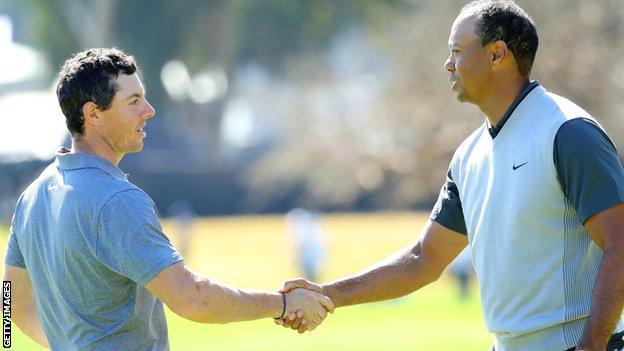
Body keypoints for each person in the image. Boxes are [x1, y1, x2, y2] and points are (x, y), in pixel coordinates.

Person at [277, 1, 624, 350]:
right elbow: (423, 260)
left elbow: (620, 243)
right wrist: (327, 294)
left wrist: (591, 346)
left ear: (496, 54)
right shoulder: (468, 156)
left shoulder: (568, 132)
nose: (448, 64)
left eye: (457, 51)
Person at [4, 48, 333, 350]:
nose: (149, 110)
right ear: (93, 113)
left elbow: (9, 304)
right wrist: (283, 304)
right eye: (133, 102)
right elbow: (194, 299)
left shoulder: (32, 195)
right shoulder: (118, 200)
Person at [285, 208, 326, 282]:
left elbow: (303, 246)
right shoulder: (308, 227)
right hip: (309, 257)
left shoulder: (305, 229)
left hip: (310, 258)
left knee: (310, 278)